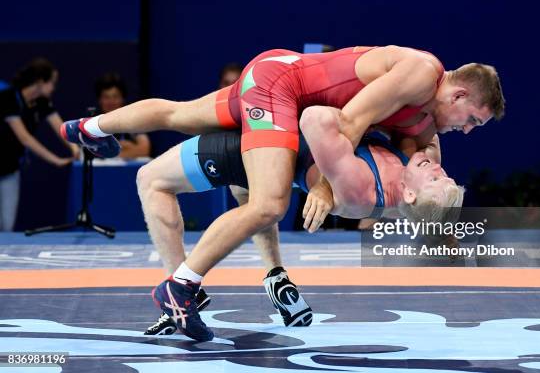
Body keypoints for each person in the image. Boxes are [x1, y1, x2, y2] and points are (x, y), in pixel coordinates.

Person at [63, 45, 504, 340]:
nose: (467, 131)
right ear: (460, 92)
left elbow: (420, 185)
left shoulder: (426, 124)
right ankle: (180, 286)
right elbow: (345, 122)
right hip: (283, 90)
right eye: (472, 120)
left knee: (182, 114)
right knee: (270, 202)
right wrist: (328, 189)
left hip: (280, 74)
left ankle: (89, 128)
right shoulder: (423, 73)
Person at [141, 105, 462, 337]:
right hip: (274, 136)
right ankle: (272, 274)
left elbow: (324, 130)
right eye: (444, 174)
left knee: (154, 175)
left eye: (435, 180)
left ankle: (180, 287)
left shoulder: (360, 192)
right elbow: (424, 127)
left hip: (263, 138)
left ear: (408, 194)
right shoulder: (416, 168)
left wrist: (323, 189)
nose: (437, 170)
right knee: (252, 194)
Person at [0, 58, 78, 231]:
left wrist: (74, 148)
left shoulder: (42, 102)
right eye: (52, 82)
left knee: (6, 225)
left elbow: (61, 127)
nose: (54, 88)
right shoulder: (7, 98)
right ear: (40, 82)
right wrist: (55, 160)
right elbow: (25, 138)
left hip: (10, 171)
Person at [95, 73, 151, 159]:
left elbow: (144, 149)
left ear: (122, 99)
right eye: (106, 97)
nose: (111, 102)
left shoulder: (133, 121)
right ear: (100, 100)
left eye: (115, 96)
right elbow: (90, 154)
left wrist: (110, 153)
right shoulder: (92, 123)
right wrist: (126, 148)